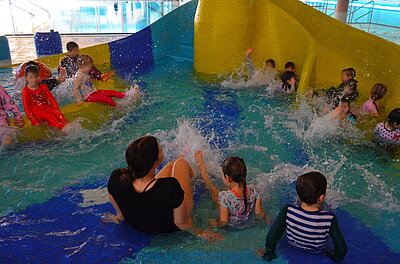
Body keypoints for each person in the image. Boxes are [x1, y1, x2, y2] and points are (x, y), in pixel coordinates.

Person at [106, 136, 224, 242]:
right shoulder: (170, 186)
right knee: (180, 163)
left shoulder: (117, 177)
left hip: (139, 224)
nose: (163, 152)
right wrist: (200, 233)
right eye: (161, 151)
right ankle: (201, 169)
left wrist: (119, 220)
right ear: (155, 163)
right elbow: (181, 223)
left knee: (171, 165)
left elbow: (120, 213)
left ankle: (184, 160)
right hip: (169, 228)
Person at [261, 172, 347, 262]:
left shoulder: (288, 210)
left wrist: (269, 252)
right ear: (321, 198)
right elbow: (341, 250)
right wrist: (332, 255)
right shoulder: (329, 218)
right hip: (316, 251)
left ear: (298, 195)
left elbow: (273, 234)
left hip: (292, 244)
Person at [194, 151, 269, 228]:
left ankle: (201, 167)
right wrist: (266, 220)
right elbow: (259, 213)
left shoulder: (224, 196)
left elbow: (224, 222)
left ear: (227, 177)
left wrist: (211, 223)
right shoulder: (254, 189)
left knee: (213, 192)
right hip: (247, 223)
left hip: (232, 226)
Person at [73, 55, 139, 107]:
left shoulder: (86, 71)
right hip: (88, 97)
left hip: (93, 92)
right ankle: (117, 106)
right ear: (82, 66)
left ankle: (129, 94)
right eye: (89, 67)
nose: (90, 69)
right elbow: (75, 89)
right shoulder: (79, 76)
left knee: (111, 92)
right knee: (106, 98)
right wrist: (78, 101)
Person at [22, 65, 68, 130]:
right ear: (26, 78)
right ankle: (64, 127)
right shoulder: (26, 91)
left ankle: (66, 124)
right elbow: (26, 108)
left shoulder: (43, 87)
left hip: (46, 107)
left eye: (36, 77)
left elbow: (52, 100)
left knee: (57, 114)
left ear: (39, 76)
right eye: (31, 77)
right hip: (35, 111)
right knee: (50, 117)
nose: (34, 80)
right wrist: (34, 121)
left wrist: (57, 111)